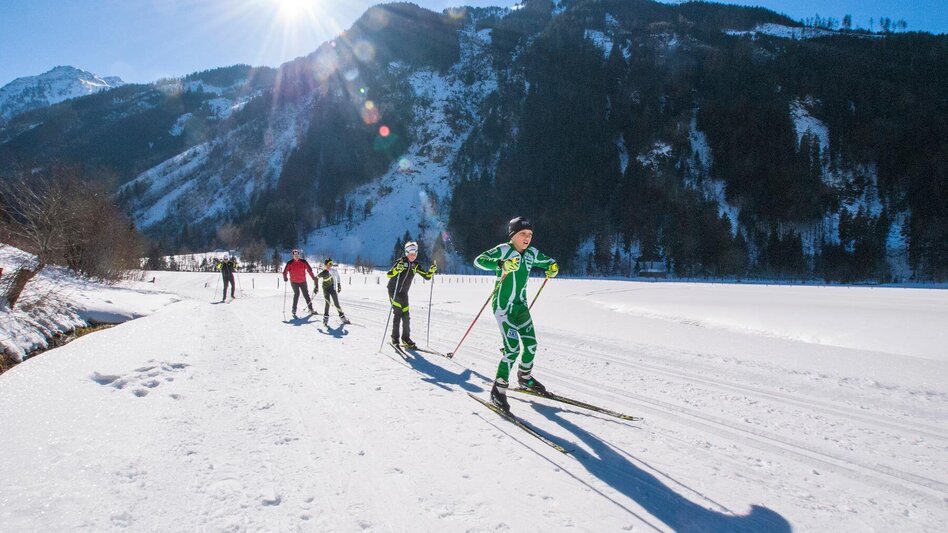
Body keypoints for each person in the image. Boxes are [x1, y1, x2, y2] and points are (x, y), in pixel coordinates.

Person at [474, 216, 559, 412]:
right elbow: (479, 261)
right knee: (512, 349)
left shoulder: (532, 253)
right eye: (522, 234)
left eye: (529, 234)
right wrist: (500, 265)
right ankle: (498, 389)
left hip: (521, 308)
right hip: (503, 308)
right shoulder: (504, 250)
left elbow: (549, 263)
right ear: (512, 235)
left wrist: (553, 268)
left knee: (531, 345)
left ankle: (525, 377)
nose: (527, 237)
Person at [386, 241, 436, 349]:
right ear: (406, 253)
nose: (412, 256)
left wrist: (431, 271)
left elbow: (427, 277)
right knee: (398, 313)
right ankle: (395, 338)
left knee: (406, 316)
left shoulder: (415, 265)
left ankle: (406, 338)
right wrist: (396, 270)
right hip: (393, 290)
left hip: (404, 293)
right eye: (410, 253)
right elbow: (389, 274)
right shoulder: (401, 262)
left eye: (415, 253)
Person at [282, 249, 317, 318]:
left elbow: (309, 270)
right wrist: (285, 277)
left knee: (306, 294)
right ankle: (294, 309)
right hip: (294, 282)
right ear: (293, 255)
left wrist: (313, 278)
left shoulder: (303, 262)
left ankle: (310, 309)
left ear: (299, 255)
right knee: (297, 294)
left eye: (297, 255)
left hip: (303, 281)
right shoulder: (290, 263)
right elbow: (284, 272)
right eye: (295, 255)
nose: (296, 256)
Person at [316, 258, 349, 324]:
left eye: (331, 264)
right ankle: (325, 318)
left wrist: (339, 285)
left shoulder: (334, 271)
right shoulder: (324, 272)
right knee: (327, 303)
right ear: (325, 265)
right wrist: (316, 287)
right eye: (328, 264)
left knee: (336, 303)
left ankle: (342, 317)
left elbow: (338, 277)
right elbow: (316, 278)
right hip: (325, 289)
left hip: (332, 288)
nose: (329, 265)